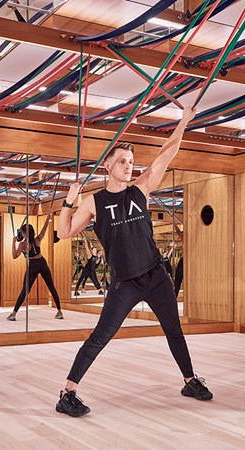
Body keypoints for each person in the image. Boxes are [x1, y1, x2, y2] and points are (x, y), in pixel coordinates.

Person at [55, 106, 212, 417]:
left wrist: (183, 122)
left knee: (174, 330)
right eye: (123, 162)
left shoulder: (141, 190)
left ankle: (189, 380)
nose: (128, 166)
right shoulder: (95, 202)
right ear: (109, 166)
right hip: (124, 282)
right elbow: (64, 232)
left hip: (155, 276)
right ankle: (67, 393)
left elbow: (166, 155)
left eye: (131, 162)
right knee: (101, 335)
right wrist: (68, 202)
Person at [6, 211, 63, 321]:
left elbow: (14, 256)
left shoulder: (23, 244)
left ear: (24, 233)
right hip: (42, 262)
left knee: (25, 290)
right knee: (51, 287)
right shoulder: (37, 240)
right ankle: (59, 312)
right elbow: (45, 227)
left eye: (22, 232)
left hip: (33, 265)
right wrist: (49, 216)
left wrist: (13, 242)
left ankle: (13, 314)